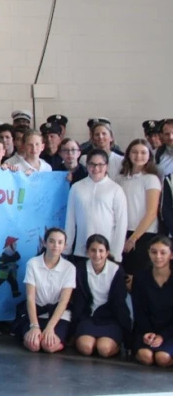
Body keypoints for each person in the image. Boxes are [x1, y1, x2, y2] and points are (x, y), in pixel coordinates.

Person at [14, 228, 75, 354]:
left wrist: (50, 327)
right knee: (34, 345)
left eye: (60, 242)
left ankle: (60, 341)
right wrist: (34, 326)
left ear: (65, 246)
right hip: (36, 313)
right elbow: (30, 297)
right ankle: (29, 334)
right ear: (44, 243)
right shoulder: (33, 264)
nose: (56, 246)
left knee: (48, 346)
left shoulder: (70, 268)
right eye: (52, 241)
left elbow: (64, 302)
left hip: (58, 316)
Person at [71, 235, 132, 359]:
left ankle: (116, 344)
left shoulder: (116, 270)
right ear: (87, 252)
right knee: (86, 348)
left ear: (107, 252)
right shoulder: (80, 269)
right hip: (89, 317)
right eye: (93, 250)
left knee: (104, 349)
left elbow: (119, 304)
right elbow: (78, 301)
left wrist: (127, 337)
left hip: (111, 319)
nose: (97, 254)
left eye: (101, 251)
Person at [64, 149, 128, 265]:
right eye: (92, 164)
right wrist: (67, 248)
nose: (96, 168)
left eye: (100, 165)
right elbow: (70, 220)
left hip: (105, 252)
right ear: (87, 165)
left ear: (106, 166)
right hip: (81, 250)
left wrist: (116, 253)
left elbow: (121, 223)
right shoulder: (76, 187)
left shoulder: (116, 190)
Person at [116, 139, 161, 282]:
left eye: (143, 152)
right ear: (128, 154)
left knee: (138, 278)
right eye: (134, 152)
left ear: (149, 156)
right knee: (123, 277)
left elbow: (152, 212)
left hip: (142, 235)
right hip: (123, 232)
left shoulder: (151, 179)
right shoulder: (121, 178)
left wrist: (133, 238)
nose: (138, 156)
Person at [133, 236, 173, 367]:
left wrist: (162, 336)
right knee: (146, 357)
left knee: (162, 358)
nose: (158, 256)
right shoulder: (141, 277)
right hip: (147, 329)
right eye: (154, 252)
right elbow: (138, 310)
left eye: (163, 253)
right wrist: (147, 333)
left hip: (170, 331)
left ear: (171, 255)